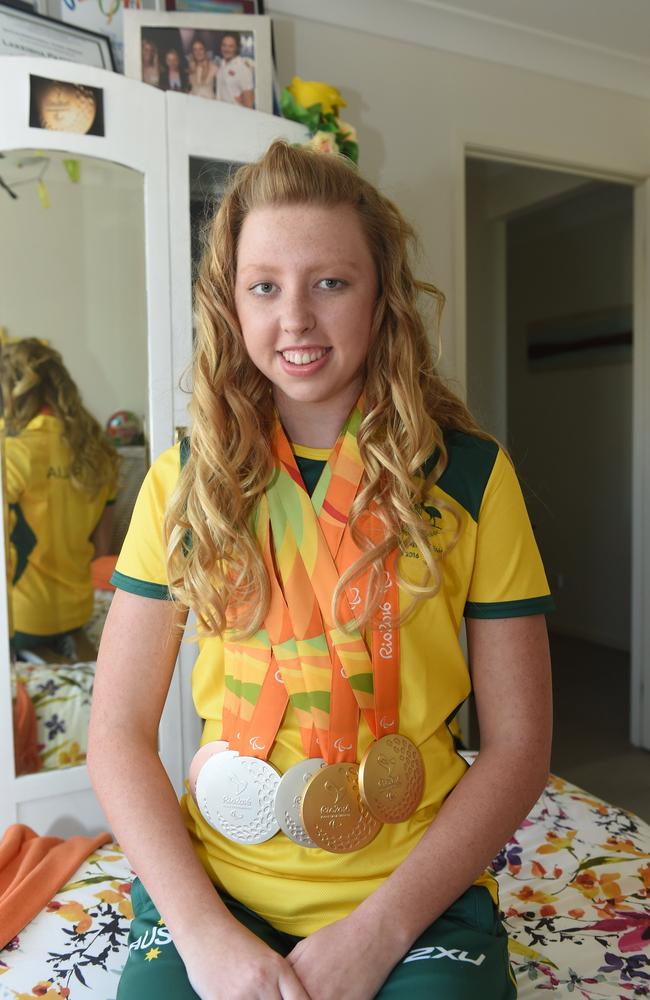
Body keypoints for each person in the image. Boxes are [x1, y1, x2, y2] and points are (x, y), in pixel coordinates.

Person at [88, 141, 553, 1000]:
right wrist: (202, 936)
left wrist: (382, 929)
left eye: (330, 283)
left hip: (412, 895)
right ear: (232, 303)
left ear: (382, 300)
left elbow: (521, 745)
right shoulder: (183, 480)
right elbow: (116, 731)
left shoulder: (473, 477)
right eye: (264, 286)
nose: (294, 318)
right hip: (222, 890)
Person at [1, 338, 119, 654]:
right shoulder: (99, 452)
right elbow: (103, 548)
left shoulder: (12, 454)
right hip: (76, 611)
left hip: (21, 620)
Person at [216, 32, 254, 108]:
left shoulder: (242, 68)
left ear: (236, 48)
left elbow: (249, 103)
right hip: (220, 112)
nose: (226, 49)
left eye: (231, 46)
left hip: (236, 115)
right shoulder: (221, 64)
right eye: (224, 45)